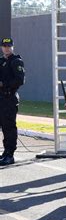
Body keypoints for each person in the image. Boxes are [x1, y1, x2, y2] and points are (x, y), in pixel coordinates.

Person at [0, 38, 25, 166]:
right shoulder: (1, 61)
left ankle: (10, 154)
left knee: (9, 126)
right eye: (4, 46)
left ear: (13, 47)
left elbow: (20, 80)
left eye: (9, 46)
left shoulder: (16, 61)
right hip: (1, 99)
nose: (6, 48)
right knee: (4, 127)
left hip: (9, 98)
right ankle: (5, 152)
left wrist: (4, 84)